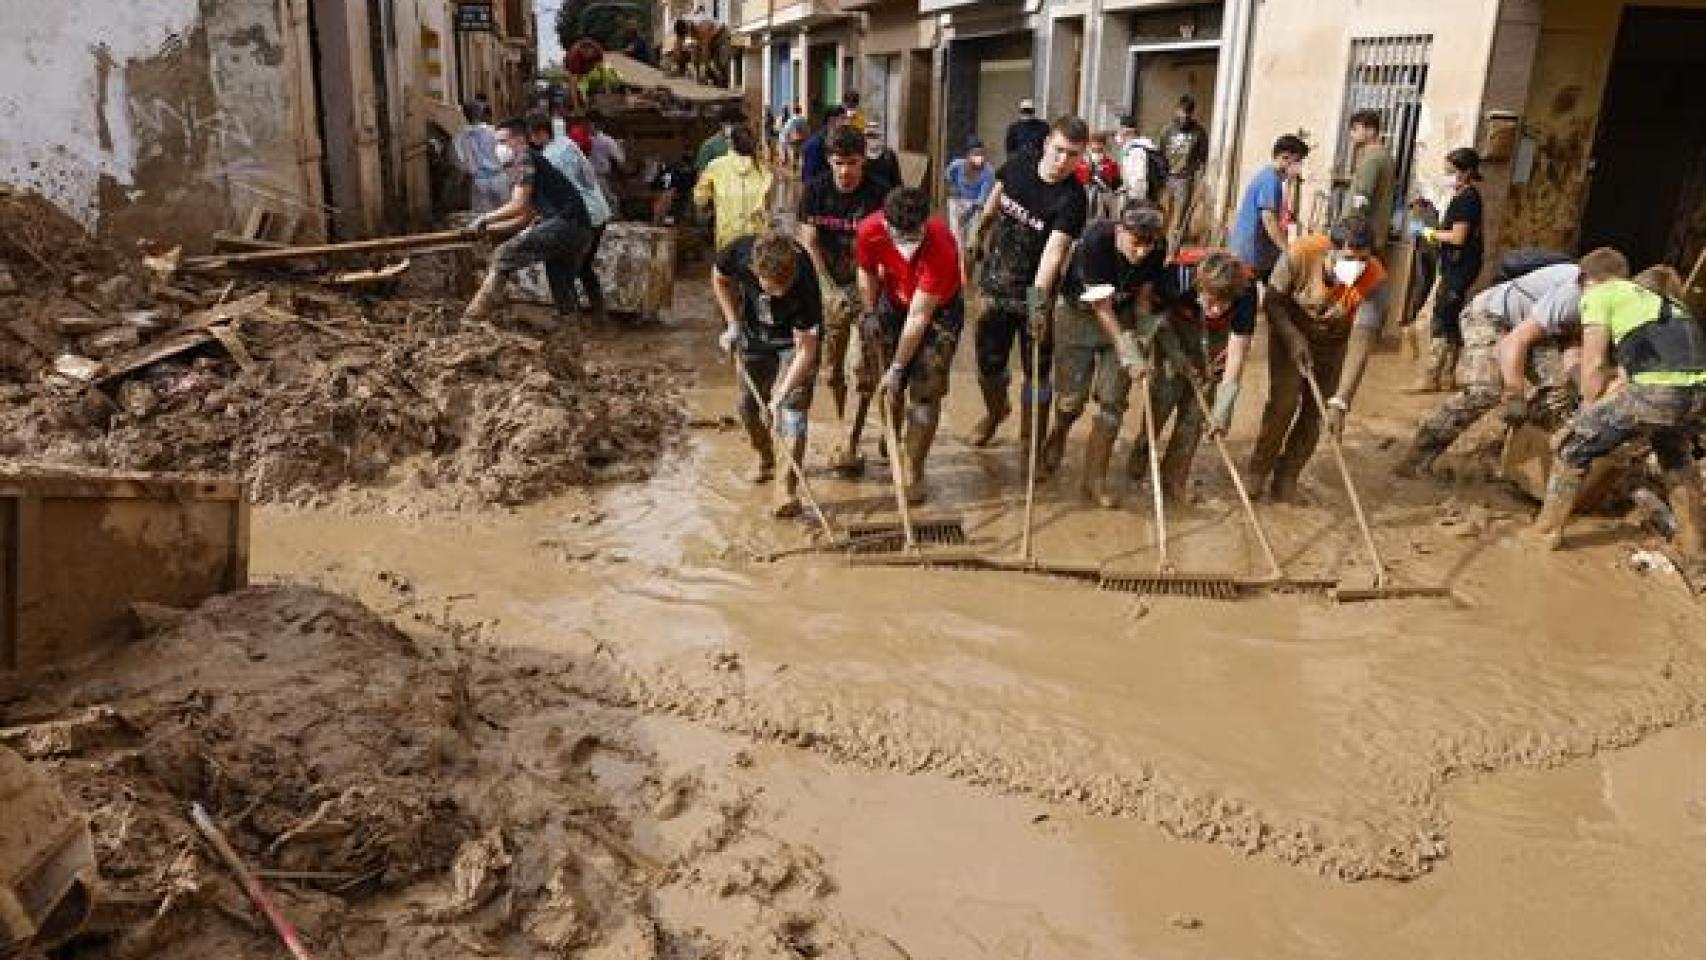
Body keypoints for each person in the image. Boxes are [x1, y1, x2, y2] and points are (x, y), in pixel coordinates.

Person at [1528, 248, 1705, 567]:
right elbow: (1626, 377)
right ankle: (1694, 549)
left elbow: (1593, 364)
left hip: (1657, 391)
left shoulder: (1599, 294)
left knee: (1571, 447)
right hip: (1695, 395)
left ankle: (1544, 534)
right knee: (1675, 458)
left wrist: (1582, 417)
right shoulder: (1662, 302)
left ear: (1584, 279)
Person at [964, 115, 1090, 456]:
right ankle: (995, 413)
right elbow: (996, 197)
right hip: (994, 287)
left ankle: (1031, 438)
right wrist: (979, 231)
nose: (1063, 161)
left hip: (1035, 295)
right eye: (1059, 150)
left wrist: (1036, 306)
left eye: (1073, 155)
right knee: (988, 365)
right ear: (1047, 143)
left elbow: (1054, 254)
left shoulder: (1073, 199)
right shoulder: (1019, 165)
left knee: (1037, 372)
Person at [1395, 261, 1583, 477]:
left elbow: (1572, 351)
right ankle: (1417, 456)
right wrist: (1515, 393)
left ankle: (1501, 454)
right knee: (1485, 391)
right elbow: (1514, 342)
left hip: (1529, 326)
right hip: (1489, 315)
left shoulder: (1598, 300)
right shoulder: (1573, 294)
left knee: (1558, 392)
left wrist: (1585, 394)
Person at [1249, 215, 1387, 501]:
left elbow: (1362, 339)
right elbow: (1271, 302)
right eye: (1349, 258)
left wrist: (1342, 400)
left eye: (1363, 260)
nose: (1357, 267)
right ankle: (1258, 472)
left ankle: (1287, 478)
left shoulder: (1374, 278)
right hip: (1290, 331)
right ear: (1330, 250)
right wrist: (1291, 336)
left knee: (1317, 414)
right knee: (1283, 404)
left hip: (1333, 343)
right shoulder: (1300, 253)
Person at [1045, 201, 1165, 504]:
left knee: (1113, 403)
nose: (1142, 253)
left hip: (1122, 317)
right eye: (1136, 243)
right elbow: (1101, 306)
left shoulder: (1156, 249)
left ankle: (1094, 479)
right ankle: (1059, 433)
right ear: (1121, 231)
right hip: (1078, 314)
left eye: (1149, 245)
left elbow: (1143, 297)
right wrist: (1128, 351)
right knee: (1071, 401)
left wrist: (1143, 338)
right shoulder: (1095, 241)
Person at [854, 186, 965, 502]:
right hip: (891, 301)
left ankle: (913, 465)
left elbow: (919, 317)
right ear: (886, 225)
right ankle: (891, 434)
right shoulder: (869, 230)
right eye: (900, 236)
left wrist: (899, 367)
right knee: (883, 380)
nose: (907, 244)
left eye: (914, 235)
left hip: (938, 310)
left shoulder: (941, 245)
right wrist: (870, 310)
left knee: (925, 389)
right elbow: (865, 271)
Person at [1126, 247, 1261, 500]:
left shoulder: (1247, 291)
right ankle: (1140, 458)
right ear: (1199, 286)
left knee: (1196, 416)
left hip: (1216, 339)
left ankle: (1174, 481)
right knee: (1161, 401)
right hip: (1174, 327)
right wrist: (1176, 356)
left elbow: (1237, 351)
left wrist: (1223, 409)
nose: (1217, 309)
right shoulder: (1175, 279)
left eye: (1224, 304)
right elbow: (1153, 320)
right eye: (1211, 301)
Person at [798, 124, 893, 469]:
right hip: (828, 287)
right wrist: (827, 286)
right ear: (828, 160)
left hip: (870, 287)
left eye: (852, 162)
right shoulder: (814, 191)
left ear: (863, 162)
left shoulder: (880, 194)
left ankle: (852, 438)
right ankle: (843, 422)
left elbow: (892, 247)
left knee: (863, 367)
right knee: (830, 371)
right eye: (838, 162)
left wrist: (871, 291)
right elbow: (808, 242)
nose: (845, 171)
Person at [713, 231, 824, 517]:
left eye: (785, 286)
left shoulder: (805, 286)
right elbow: (719, 279)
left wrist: (782, 394)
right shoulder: (738, 253)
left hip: (793, 341)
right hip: (754, 334)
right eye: (773, 288)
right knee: (747, 406)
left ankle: (785, 489)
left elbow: (806, 352)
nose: (781, 294)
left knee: (793, 412)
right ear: (753, 270)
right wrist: (732, 323)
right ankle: (764, 457)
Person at [462, 117, 593, 328]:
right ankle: (572, 327)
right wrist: (490, 229)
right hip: (579, 228)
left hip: (565, 224)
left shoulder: (524, 157)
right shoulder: (531, 161)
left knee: (504, 255)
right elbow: (526, 217)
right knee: (559, 277)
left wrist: (486, 218)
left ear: (520, 139)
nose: (500, 148)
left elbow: (518, 205)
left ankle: (473, 316)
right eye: (497, 143)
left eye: (504, 141)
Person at [527, 112, 613, 324]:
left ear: (538, 134)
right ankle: (599, 313)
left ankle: (570, 320)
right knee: (583, 266)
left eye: (531, 135)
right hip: (599, 212)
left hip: (583, 215)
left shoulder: (550, 158)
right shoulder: (566, 143)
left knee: (562, 267)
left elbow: (561, 194)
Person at [1412, 147, 1485, 392]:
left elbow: (1458, 237)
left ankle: (1430, 377)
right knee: (1452, 320)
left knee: (1442, 318)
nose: (1448, 176)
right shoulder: (1466, 196)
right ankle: (1448, 376)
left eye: (1451, 171)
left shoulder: (1466, 200)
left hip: (1458, 268)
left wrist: (1429, 233)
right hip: (1461, 266)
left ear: (1466, 173)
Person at [1230, 134, 1309, 282]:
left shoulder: (1270, 177)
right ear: (1285, 157)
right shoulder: (1270, 180)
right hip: (1251, 252)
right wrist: (1288, 250)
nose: (1299, 167)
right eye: (1297, 161)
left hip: (1253, 250)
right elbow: (1269, 220)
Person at [694, 125, 774, 251]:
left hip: (727, 237)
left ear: (730, 143)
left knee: (725, 269)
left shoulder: (716, 166)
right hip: (756, 239)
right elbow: (769, 208)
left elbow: (700, 199)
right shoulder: (764, 171)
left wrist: (709, 204)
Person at [1158, 95, 1209, 240]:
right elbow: (1160, 153)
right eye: (1182, 111)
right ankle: (1159, 245)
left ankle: (1172, 248)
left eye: (1188, 112)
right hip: (1167, 178)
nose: (1184, 116)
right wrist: (1161, 177)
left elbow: (1203, 158)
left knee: (1179, 218)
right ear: (1176, 110)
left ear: (1192, 113)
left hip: (1185, 179)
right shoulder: (1167, 130)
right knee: (1163, 214)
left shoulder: (1199, 132)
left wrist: (1200, 181)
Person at [455, 100, 508, 214]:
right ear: (480, 113)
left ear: (465, 115)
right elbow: (505, 153)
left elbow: (462, 162)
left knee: (484, 219)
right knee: (505, 214)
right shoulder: (493, 131)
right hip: (498, 177)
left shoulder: (461, 137)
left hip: (479, 182)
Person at [943, 139, 995, 253]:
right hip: (958, 201)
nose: (979, 157)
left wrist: (968, 214)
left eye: (982, 154)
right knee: (956, 234)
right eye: (975, 154)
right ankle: (956, 246)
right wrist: (952, 187)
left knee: (972, 235)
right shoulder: (956, 165)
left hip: (975, 205)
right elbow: (948, 177)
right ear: (968, 155)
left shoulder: (988, 172)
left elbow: (982, 199)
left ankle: (973, 246)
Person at [1114, 116, 1162, 206]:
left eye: (1120, 131)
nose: (1118, 134)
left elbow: (1139, 179)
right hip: (1134, 194)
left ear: (1128, 132)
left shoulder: (1137, 150)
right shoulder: (1131, 148)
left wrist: (1132, 199)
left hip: (1136, 198)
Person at [585, 115, 627, 210]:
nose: (587, 126)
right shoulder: (585, 139)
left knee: (608, 198)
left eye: (589, 124)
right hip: (589, 175)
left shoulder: (606, 140)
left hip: (601, 175)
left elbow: (620, 159)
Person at [1076, 134, 1122, 220]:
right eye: (1094, 150)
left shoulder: (1111, 164)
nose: (1097, 153)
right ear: (1088, 149)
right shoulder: (1080, 164)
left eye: (1100, 150)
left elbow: (1116, 186)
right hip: (1084, 205)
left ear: (1104, 148)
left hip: (1104, 207)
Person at [799, 106, 848, 184]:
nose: (846, 122)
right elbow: (809, 176)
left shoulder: (839, 140)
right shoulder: (815, 144)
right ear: (831, 120)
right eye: (843, 118)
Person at [864, 123, 903, 191]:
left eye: (875, 136)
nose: (872, 139)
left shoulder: (889, 155)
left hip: (887, 194)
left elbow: (897, 181)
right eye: (869, 135)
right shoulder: (860, 156)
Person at [780, 104, 808, 169]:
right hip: (802, 138)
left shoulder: (791, 120)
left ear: (794, 111)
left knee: (793, 153)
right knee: (801, 153)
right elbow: (806, 129)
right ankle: (800, 168)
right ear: (800, 111)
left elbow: (786, 130)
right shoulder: (803, 119)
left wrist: (785, 138)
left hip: (793, 139)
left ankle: (794, 168)